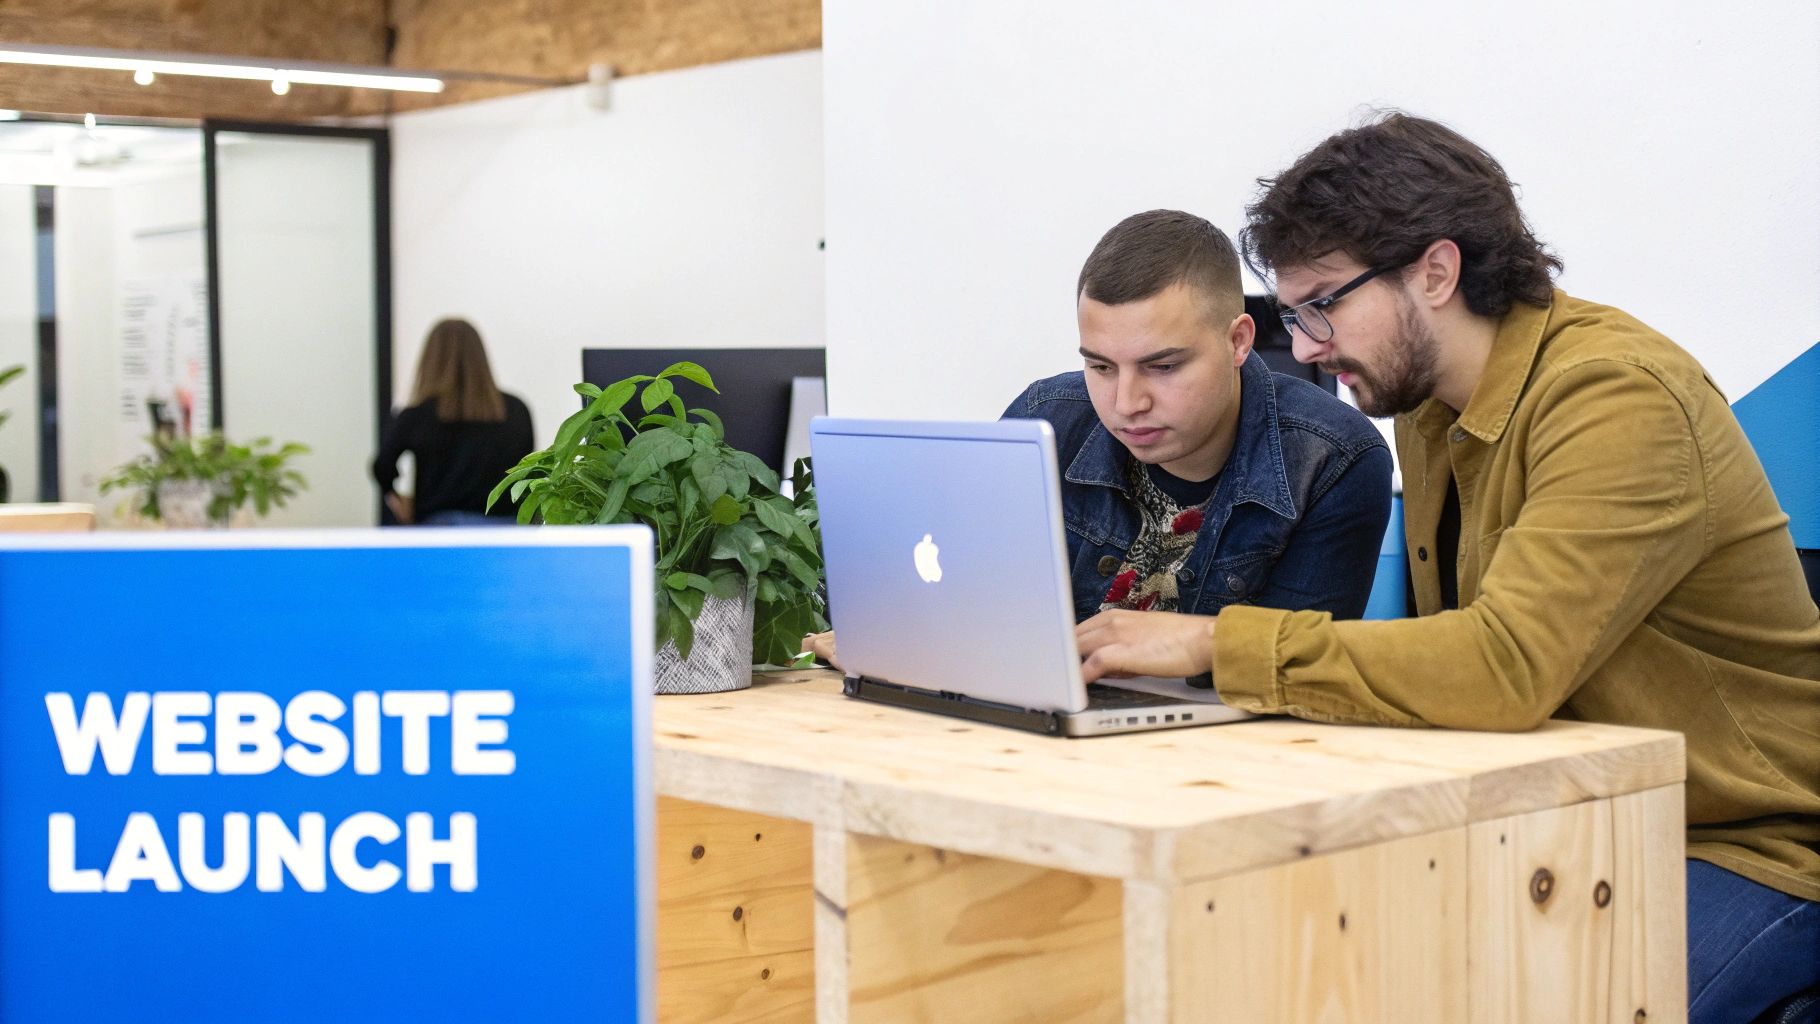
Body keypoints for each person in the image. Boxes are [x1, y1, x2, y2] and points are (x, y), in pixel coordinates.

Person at [1073, 114, 1820, 1020]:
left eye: (1323, 306)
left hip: (1748, 846)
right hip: (1560, 818)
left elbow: (1501, 668)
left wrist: (1206, 642)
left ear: (1435, 270)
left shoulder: (1618, 397)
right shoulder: (1429, 410)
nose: (1304, 346)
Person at [806, 209, 1392, 666]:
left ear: (1238, 341)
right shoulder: (1047, 418)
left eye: (1163, 367)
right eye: (1101, 366)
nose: (1125, 403)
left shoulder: (1333, 458)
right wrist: (896, 639)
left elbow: (1292, 679)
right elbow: (967, 600)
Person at [374, 318, 535, 526]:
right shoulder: (516, 410)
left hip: (439, 528)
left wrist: (397, 499)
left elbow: (382, 467)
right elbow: (528, 471)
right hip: (505, 528)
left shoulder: (416, 415)